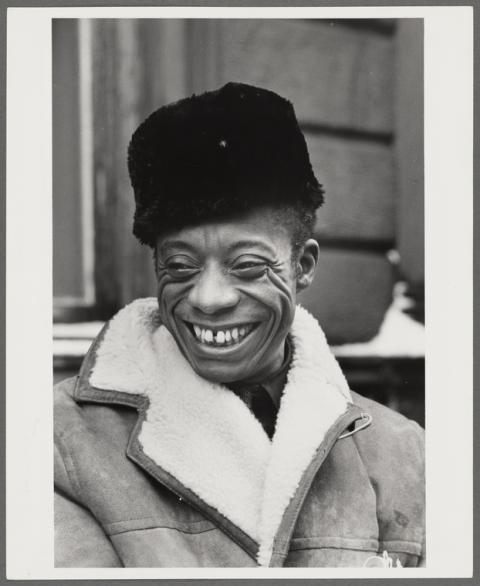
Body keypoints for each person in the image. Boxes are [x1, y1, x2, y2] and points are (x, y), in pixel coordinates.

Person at [54, 82, 425, 568]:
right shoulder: (58, 443)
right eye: (180, 267)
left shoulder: (405, 455)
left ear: (303, 266)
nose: (208, 299)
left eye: (248, 265)